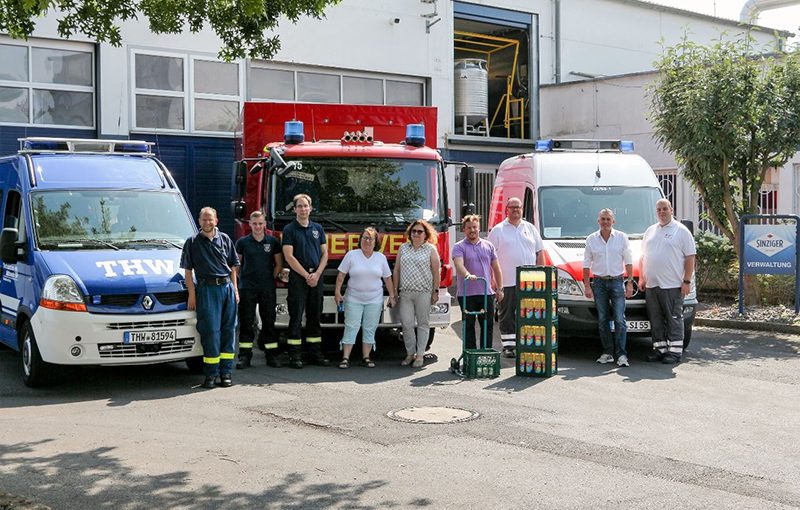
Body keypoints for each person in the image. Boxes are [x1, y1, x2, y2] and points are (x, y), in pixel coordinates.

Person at [181, 207, 240, 389]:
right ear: (199, 221)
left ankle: (226, 373)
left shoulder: (225, 239)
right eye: (204, 220)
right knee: (211, 333)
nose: (207, 223)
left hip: (227, 288)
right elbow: (188, 272)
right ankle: (211, 375)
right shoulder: (192, 242)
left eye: (210, 219)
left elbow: (233, 267)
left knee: (229, 331)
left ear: (216, 221)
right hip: (207, 290)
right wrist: (192, 294)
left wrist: (235, 290)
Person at [639, 198, 696, 364]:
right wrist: (642, 278)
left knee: (674, 319)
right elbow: (643, 257)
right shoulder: (650, 231)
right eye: (659, 210)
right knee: (655, 320)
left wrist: (686, 281)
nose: (662, 212)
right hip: (652, 285)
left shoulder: (681, 231)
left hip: (672, 285)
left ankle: (674, 352)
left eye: (665, 209)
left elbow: (690, 257)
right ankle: (660, 349)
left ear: (671, 209)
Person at [488, 197, 544, 358]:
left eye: (518, 207)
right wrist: (493, 280)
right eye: (512, 207)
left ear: (522, 209)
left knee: (528, 312)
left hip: (530, 281)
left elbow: (539, 253)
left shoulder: (530, 228)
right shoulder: (498, 230)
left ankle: (526, 342)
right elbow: (490, 257)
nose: (515, 210)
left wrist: (540, 275)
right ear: (506, 210)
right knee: (507, 313)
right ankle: (509, 346)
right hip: (507, 280)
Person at [334, 227, 396, 368]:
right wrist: (337, 292)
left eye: (371, 239)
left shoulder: (380, 258)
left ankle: (366, 357)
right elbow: (341, 276)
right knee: (351, 326)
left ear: (376, 242)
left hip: (374, 300)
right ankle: (345, 358)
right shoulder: (351, 255)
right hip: (353, 299)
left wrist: (392, 296)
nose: (367, 241)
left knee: (370, 328)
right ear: (360, 240)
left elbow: (387, 279)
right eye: (365, 238)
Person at [281, 194, 331, 368]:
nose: (303, 209)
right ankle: (294, 356)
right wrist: (306, 275)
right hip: (298, 279)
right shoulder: (289, 230)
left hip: (316, 278)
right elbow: (289, 256)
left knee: (314, 316)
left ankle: (314, 353)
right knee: (295, 317)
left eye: (306, 206)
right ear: (294, 209)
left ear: (310, 208)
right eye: (299, 206)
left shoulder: (318, 229)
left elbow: (325, 253)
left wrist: (316, 274)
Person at [582, 209, 634, 367]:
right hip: (599, 283)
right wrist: (587, 286)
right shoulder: (591, 239)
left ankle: (622, 355)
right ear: (598, 221)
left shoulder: (621, 238)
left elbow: (629, 261)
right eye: (603, 219)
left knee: (620, 319)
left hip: (618, 282)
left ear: (613, 221)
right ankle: (607, 352)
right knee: (603, 319)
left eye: (608, 219)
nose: (605, 222)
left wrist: (630, 282)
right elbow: (586, 264)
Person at [235, 210, 283, 369]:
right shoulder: (242, 242)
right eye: (254, 224)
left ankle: (271, 355)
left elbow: (279, 264)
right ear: (250, 224)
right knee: (247, 322)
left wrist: (270, 278)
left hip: (267, 288)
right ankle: (244, 356)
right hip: (247, 287)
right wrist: (236, 284)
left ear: (265, 224)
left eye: (260, 223)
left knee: (269, 322)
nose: (257, 226)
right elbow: (237, 266)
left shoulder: (272, 241)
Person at [393, 219, 440, 368]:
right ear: (410, 233)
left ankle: (420, 355)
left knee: (423, 324)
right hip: (406, 293)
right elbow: (397, 270)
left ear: (426, 234)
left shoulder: (431, 249)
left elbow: (435, 272)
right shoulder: (403, 248)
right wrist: (395, 291)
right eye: (414, 231)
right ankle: (410, 354)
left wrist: (435, 291)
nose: (416, 234)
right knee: (406, 325)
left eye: (420, 231)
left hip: (424, 293)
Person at [452, 214, 503, 350]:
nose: (472, 230)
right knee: (468, 325)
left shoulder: (488, 246)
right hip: (466, 294)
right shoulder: (459, 247)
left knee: (487, 325)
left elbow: (496, 268)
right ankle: (471, 356)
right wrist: (468, 275)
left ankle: (485, 354)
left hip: (486, 293)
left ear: (479, 228)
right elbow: (459, 264)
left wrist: (500, 288)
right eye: (469, 228)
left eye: (475, 227)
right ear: (464, 230)